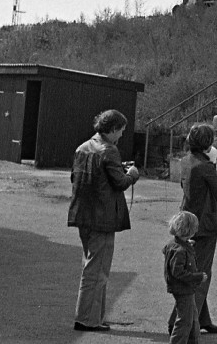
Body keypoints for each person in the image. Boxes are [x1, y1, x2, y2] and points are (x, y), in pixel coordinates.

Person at [68, 109, 141, 332]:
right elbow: (120, 183)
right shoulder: (109, 150)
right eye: (120, 131)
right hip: (102, 218)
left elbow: (75, 177)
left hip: (83, 215)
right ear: (112, 129)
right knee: (97, 270)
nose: (121, 136)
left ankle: (93, 316)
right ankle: (87, 319)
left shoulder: (83, 147)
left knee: (91, 265)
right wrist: (133, 174)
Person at [171, 123, 217, 335]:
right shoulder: (206, 167)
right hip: (204, 226)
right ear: (208, 143)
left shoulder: (185, 162)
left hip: (186, 220)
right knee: (201, 273)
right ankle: (179, 321)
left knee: (196, 268)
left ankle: (203, 319)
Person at [163, 211, 209, 344]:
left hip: (183, 289)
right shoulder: (180, 251)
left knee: (192, 319)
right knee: (185, 321)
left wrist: (187, 244)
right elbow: (179, 273)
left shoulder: (175, 245)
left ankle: (192, 341)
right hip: (183, 289)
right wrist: (198, 277)